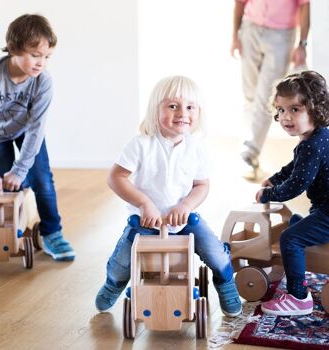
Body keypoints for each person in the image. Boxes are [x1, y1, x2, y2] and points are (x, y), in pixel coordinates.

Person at [95, 75, 242, 317]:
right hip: (145, 222)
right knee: (122, 264)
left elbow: (201, 185)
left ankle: (226, 282)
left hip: (184, 222)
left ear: (198, 113)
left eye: (190, 107)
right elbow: (116, 178)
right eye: (173, 106)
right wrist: (144, 204)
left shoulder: (196, 148)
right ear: (156, 110)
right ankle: (113, 283)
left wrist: (186, 205)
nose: (182, 113)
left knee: (216, 254)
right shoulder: (141, 144)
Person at [0, 14, 75, 261]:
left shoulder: (43, 82)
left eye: (46, 57)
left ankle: (52, 233)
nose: (41, 63)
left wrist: (21, 169)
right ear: (13, 49)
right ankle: (1, 233)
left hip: (25, 132)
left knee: (42, 179)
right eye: (35, 55)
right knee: (0, 187)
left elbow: (36, 128)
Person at [255, 71, 329, 316]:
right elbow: (293, 168)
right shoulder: (316, 138)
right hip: (323, 207)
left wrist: (269, 193)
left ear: (316, 109)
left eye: (294, 109)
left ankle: (298, 296)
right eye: (281, 110)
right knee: (299, 223)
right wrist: (273, 179)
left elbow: (296, 184)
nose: (285, 117)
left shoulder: (312, 145)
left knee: (291, 238)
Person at [231, 0, 310, 180]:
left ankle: (249, 153)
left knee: (266, 97)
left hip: (281, 35)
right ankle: (250, 151)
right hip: (250, 29)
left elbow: (305, 5)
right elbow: (240, 2)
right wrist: (235, 36)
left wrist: (302, 44)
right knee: (250, 95)